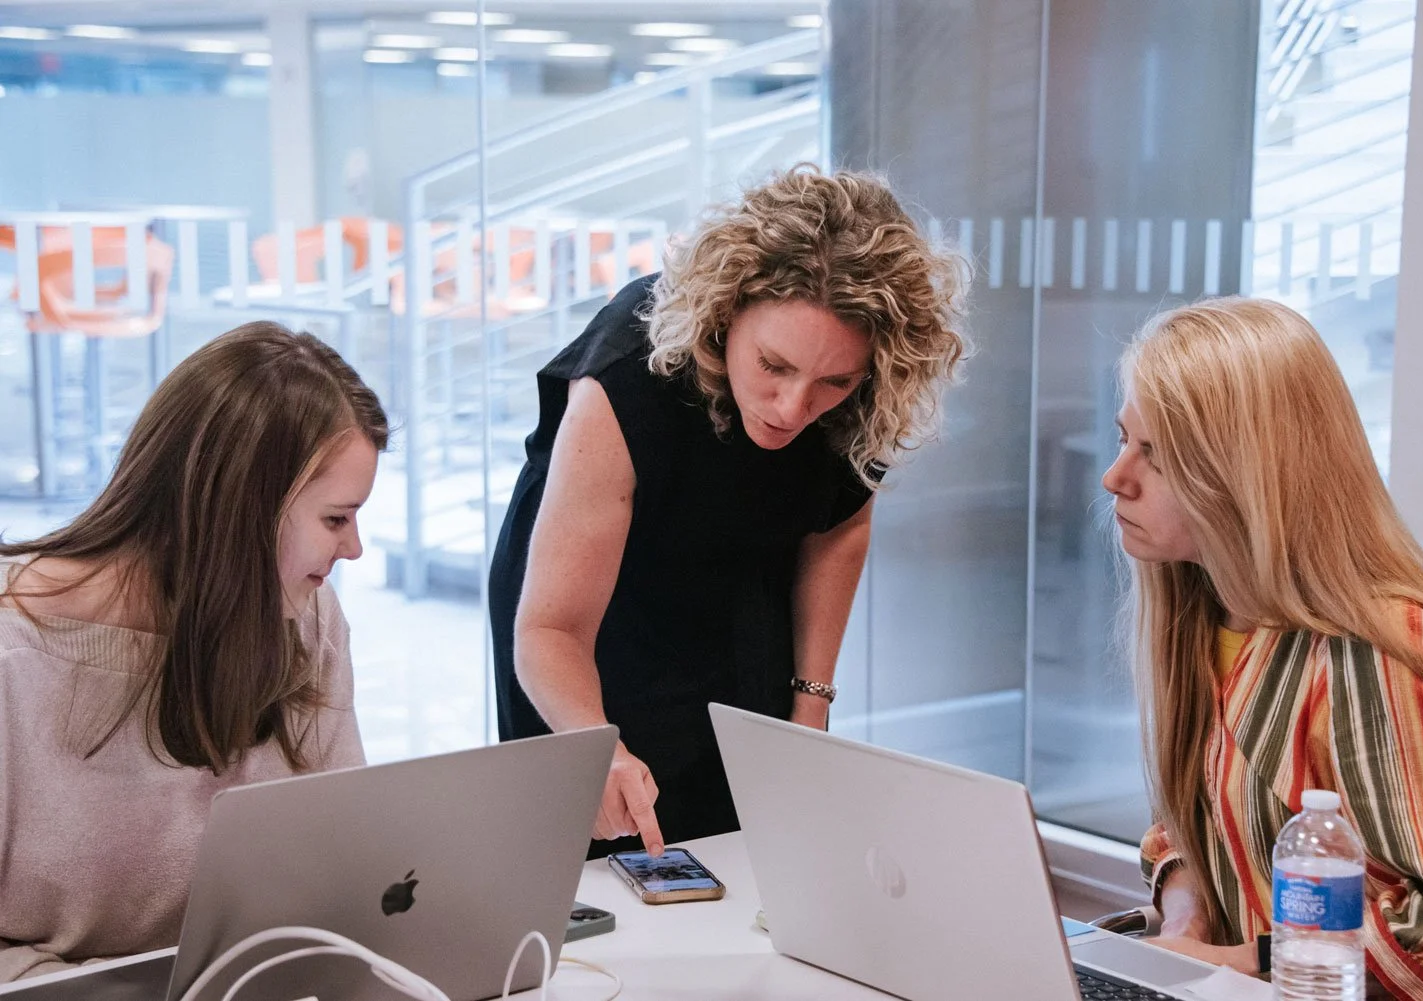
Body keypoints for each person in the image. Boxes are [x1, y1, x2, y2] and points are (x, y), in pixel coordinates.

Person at [489, 165, 967, 858]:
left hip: (742, 571)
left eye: (833, 382)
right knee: (604, 823)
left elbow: (839, 522)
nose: (793, 408)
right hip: (593, 602)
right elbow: (551, 627)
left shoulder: (866, 383)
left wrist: (810, 707)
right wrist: (598, 747)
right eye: (773, 365)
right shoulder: (630, 379)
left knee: (746, 811)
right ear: (725, 316)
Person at [1103, 297, 1423, 999]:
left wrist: (1254, 959)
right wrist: (1187, 899)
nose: (1116, 476)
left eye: (1154, 456)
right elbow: (1206, 820)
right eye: (1123, 439)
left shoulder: (1380, 654)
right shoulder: (1206, 618)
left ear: (1241, 473)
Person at [0, 322, 386, 981]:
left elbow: (345, 876)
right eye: (335, 518)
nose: (354, 548)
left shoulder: (305, 618)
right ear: (241, 509)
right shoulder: (16, 652)